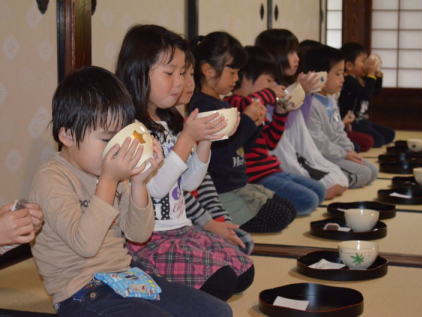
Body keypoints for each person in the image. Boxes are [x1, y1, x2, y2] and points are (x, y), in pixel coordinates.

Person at [28, 66, 232, 317]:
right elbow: (86, 245)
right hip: (81, 292)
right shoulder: (52, 178)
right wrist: (109, 181)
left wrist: (138, 183)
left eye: (120, 138)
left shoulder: (113, 171)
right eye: (106, 140)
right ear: (67, 135)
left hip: (127, 277)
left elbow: (138, 233)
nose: (116, 148)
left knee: (218, 312)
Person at [115, 25, 253, 302]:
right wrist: (187, 138)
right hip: (147, 239)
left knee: (243, 270)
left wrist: (205, 141)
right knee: (222, 282)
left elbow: (189, 182)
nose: (179, 82)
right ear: (139, 71)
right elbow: (155, 188)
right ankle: (141, 278)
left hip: (181, 229)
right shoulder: (131, 128)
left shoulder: (169, 122)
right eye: (170, 73)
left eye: (182, 73)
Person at [189, 31, 297, 233]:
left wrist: (256, 123)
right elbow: (218, 154)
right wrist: (247, 121)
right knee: (279, 216)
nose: (236, 79)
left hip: (240, 183)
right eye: (232, 73)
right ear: (208, 70)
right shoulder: (202, 106)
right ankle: (218, 221)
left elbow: (244, 146)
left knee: (289, 208)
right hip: (222, 190)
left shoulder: (224, 103)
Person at [224, 45, 326, 216]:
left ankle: (276, 206)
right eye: (269, 80)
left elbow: (270, 143)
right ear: (247, 78)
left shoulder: (258, 105)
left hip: (271, 170)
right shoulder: (234, 102)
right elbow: (246, 105)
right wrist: (270, 93)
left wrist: (280, 114)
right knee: (309, 200)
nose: (274, 85)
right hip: (255, 177)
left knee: (319, 190)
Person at [255, 29, 348, 199]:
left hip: (295, 148)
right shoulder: (268, 88)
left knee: (339, 179)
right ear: (275, 54)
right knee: (320, 189)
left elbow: (300, 124)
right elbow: (284, 127)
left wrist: (305, 93)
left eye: (296, 52)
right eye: (291, 52)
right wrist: (300, 92)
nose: (297, 58)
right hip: (277, 153)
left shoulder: (288, 84)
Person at [178, 52, 254, 255]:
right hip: (182, 222)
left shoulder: (184, 122)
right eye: (174, 73)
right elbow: (174, 189)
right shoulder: (200, 112)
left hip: (211, 203)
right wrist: (209, 223)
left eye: (188, 73)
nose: (187, 82)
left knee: (242, 245)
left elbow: (202, 181)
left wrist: (222, 221)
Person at [298, 44, 378, 188]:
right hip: (321, 157)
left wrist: (349, 150)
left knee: (373, 170)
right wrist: (343, 154)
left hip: (336, 154)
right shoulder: (310, 103)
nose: (342, 79)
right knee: (364, 174)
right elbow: (318, 142)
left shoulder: (330, 100)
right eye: (338, 74)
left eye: (343, 74)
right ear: (320, 75)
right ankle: (326, 181)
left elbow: (339, 132)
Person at [338, 42, 395, 148]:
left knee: (390, 134)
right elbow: (366, 95)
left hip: (361, 121)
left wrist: (377, 73)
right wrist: (371, 74)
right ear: (349, 65)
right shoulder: (348, 79)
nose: (366, 64)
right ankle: (347, 137)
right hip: (351, 123)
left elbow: (374, 92)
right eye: (363, 61)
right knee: (378, 140)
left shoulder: (360, 78)